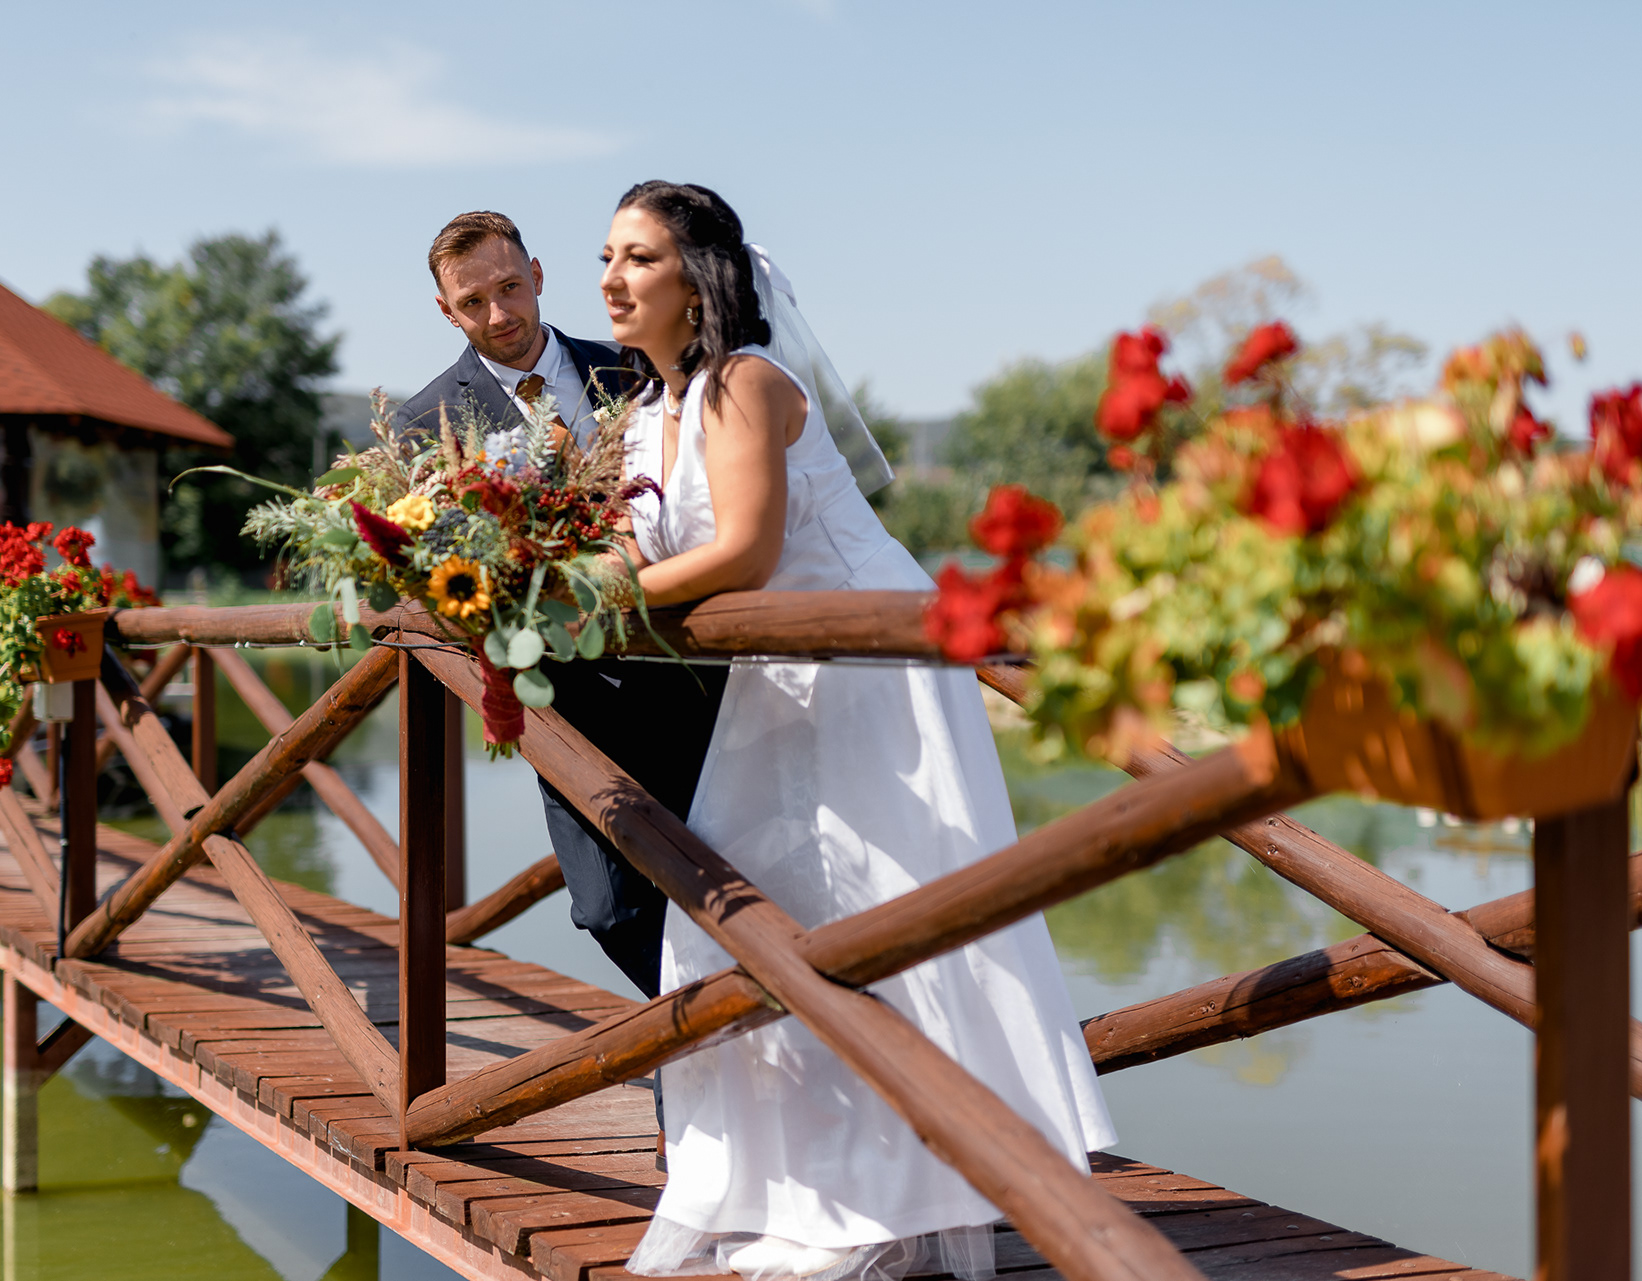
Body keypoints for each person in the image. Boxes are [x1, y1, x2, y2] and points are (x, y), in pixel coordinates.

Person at [600, 182, 1116, 1281]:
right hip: (779, 675)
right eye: (606, 256)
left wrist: (595, 602)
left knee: (884, 920)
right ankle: (803, 1184)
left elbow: (744, 552)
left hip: (871, 666)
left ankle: (913, 1192)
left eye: (637, 257)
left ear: (697, 278)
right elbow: (643, 553)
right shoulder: (646, 413)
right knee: (753, 923)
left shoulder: (747, 381)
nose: (611, 279)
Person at [400, 212, 729, 1004]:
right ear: (447, 311)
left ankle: (714, 1069)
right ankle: (714, 1035)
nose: (499, 313)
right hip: (569, 701)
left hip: (695, 674)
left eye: (510, 287)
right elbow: (441, 573)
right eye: (472, 302)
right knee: (610, 906)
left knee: (731, 879)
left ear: (539, 275)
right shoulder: (424, 422)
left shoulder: (636, 366)